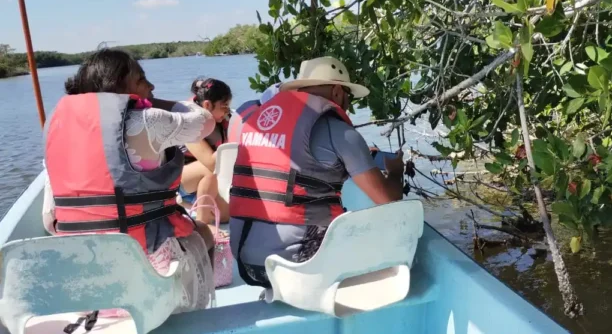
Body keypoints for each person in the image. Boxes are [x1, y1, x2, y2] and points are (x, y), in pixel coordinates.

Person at [41, 49, 216, 317]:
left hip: (80, 273)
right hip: (140, 275)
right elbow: (205, 122)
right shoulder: (148, 119)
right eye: (142, 79)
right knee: (204, 232)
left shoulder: (54, 124)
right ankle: (193, 317)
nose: (151, 86)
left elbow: (48, 218)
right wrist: (159, 102)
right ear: (118, 85)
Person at [228, 56, 405, 288]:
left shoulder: (255, 119)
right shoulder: (339, 131)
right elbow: (388, 199)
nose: (348, 104)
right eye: (348, 97)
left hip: (245, 262)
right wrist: (395, 172)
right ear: (337, 91)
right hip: (299, 268)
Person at [178, 78, 232, 227]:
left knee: (226, 216)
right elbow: (210, 162)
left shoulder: (223, 122)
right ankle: (202, 225)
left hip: (208, 180)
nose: (227, 111)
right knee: (211, 171)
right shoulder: (189, 123)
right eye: (224, 106)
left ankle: (193, 205)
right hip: (181, 179)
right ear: (207, 105)